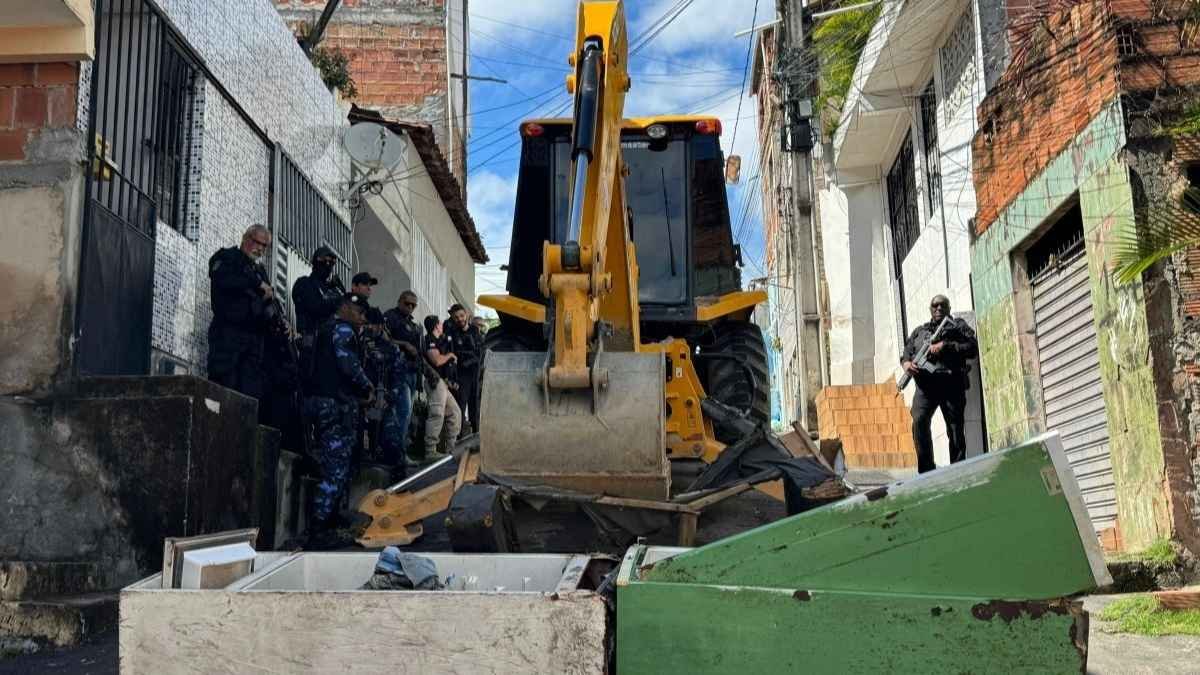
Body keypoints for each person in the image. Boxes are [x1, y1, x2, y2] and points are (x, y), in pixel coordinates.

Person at [302, 293, 376, 548]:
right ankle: (319, 529)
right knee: (335, 467)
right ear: (345, 307)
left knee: (335, 464)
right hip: (334, 405)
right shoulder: (342, 329)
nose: (362, 318)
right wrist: (367, 387)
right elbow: (348, 364)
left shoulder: (323, 328)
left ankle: (331, 519)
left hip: (321, 401)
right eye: (359, 311)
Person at [901, 294, 979, 474]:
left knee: (955, 429)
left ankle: (958, 469)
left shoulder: (957, 327)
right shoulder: (920, 331)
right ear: (930, 309)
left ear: (949, 308)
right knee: (919, 422)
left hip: (951, 385)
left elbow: (972, 348)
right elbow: (907, 352)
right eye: (935, 306)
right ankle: (927, 470)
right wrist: (906, 363)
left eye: (943, 305)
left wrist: (946, 345)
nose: (938, 309)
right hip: (925, 389)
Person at [207, 224, 274, 401]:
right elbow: (224, 279)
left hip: (252, 343)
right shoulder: (227, 257)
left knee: (248, 398)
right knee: (222, 393)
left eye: (264, 246)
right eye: (257, 242)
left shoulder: (260, 271)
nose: (260, 249)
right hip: (228, 337)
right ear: (245, 238)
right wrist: (256, 284)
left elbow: (269, 301)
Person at [360, 309, 411, 483]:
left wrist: (389, 398)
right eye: (365, 323)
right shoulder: (355, 342)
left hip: (383, 402)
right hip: (359, 403)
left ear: (380, 326)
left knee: (392, 443)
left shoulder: (390, 349)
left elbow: (399, 376)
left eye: (371, 324)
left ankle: (399, 485)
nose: (368, 327)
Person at [293, 246, 345, 384]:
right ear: (316, 261)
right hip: (313, 344)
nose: (328, 266)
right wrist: (339, 302)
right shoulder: (304, 283)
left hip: (334, 347)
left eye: (331, 263)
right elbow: (315, 307)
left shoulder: (334, 289)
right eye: (325, 262)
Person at [385, 291, 424, 462]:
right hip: (397, 372)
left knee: (407, 415)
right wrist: (404, 344)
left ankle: (399, 452)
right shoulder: (390, 317)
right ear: (399, 301)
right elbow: (383, 339)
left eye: (413, 305)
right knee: (403, 411)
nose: (410, 307)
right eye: (407, 303)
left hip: (413, 371)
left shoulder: (413, 324)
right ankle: (397, 454)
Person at [422, 315, 462, 460]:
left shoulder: (440, 340)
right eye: (439, 323)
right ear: (436, 326)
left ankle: (451, 451)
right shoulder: (429, 340)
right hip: (434, 381)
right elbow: (436, 361)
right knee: (436, 414)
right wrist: (450, 355)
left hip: (442, 383)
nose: (442, 325)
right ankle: (430, 451)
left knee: (455, 413)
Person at [445, 304, 483, 434]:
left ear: (466, 314)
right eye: (456, 317)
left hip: (475, 373)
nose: (460, 319)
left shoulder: (474, 330)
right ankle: (459, 436)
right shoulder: (453, 333)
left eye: (461, 315)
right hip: (462, 374)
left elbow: (479, 351)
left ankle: (476, 435)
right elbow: (453, 354)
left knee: (475, 405)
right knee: (461, 404)